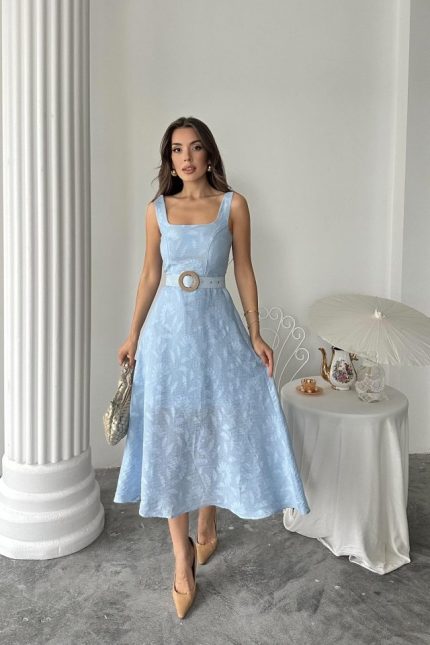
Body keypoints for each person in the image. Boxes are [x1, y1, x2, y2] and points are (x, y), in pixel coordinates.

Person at [113, 116, 310, 619]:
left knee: (214, 424)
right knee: (171, 436)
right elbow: (150, 274)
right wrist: (133, 334)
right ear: (169, 158)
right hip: (167, 337)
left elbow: (243, 268)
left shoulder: (233, 205)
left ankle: (207, 522)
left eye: (196, 147)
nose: (187, 157)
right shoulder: (157, 210)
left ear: (209, 154)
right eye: (177, 149)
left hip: (217, 330)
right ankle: (181, 560)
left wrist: (256, 332)